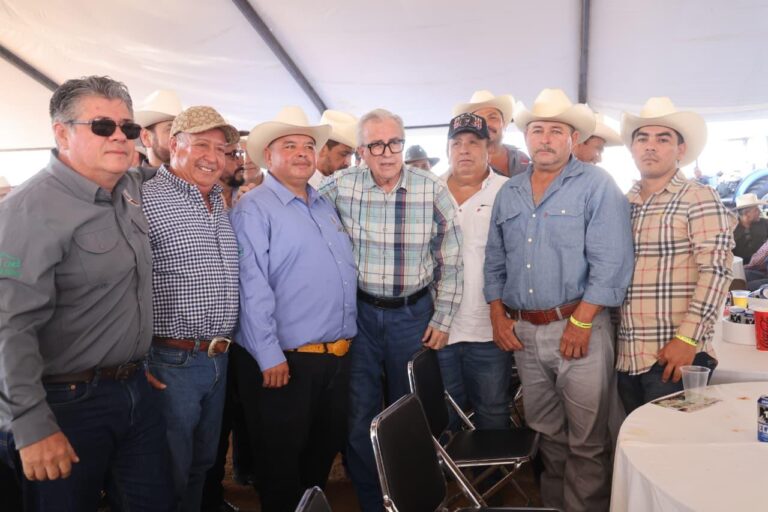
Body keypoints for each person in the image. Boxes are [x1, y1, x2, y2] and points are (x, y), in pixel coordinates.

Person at [0, 75, 174, 511]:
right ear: (62, 134)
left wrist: (131, 362)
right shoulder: (26, 211)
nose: (119, 136)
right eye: (102, 126)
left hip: (134, 389)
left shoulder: (127, 188)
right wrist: (31, 424)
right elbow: (8, 328)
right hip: (65, 403)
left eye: (128, 128)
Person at [484, 88, 633, 512]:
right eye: (537, 130)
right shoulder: (510, 192)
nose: (545, 139)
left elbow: (612, 263)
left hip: (579, 328)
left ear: (573, 138)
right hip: (525, 334)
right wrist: (497, 314)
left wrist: (581, 323)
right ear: (526, 137)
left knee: (588, 441)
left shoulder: (597, 185)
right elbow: (494, 260)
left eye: (555, 130)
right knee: (547, 436)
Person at [319, 108, 462, 511]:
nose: (387, 153)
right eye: (377, 145)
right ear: (361, 150)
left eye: (394, 143)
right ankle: (372, 501)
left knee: (410, 416)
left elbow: (452, 259)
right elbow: (300, 210)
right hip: (359, 317)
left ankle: (411, 501)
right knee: (359, 415)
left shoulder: (431, 189)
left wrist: (443, 318)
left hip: (413, 317)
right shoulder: (340, 186)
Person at [231, 106, 357, 511]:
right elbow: (251, 284)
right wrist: (268, 354)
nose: (302, 153)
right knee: (280, 469)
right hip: (284, 363)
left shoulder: (323, 204)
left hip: (334, 358)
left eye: (308, 145)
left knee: (318, 459)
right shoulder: (254, 207)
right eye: (290, 145)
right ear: (268, 156)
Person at [142, 105, 241, 511]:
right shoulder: (145, 200)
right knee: (170, 470)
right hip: (170, 361)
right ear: (174, 144)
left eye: (221, 149)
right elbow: (124, 284)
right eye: (202, 145)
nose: (212, 157)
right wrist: (138, 359)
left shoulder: (218, 201)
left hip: (218, 358)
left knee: (202, 464)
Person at [616, 97, 734, 413]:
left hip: (675, 356)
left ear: (680, 150)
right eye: (642, 138)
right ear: (633, 149)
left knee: (672, 440)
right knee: (638, 438)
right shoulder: (624, 202)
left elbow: (717, 271)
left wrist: (688, 339)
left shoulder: (698, 196)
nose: (650, 146)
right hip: (628, 355)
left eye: (663, 139)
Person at [439, 112, 511, 430]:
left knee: (493, 411)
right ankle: (451, 466)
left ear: (489, 149)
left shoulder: (508, 191)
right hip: (439, 327)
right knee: (444, 414)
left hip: (489, 327)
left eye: (473, 142)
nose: (464, 150)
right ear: (447, 150)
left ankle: (492, 466)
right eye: (456, 143)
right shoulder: (428, 191)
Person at [453, 89, 530, 177]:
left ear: (504, 124)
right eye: (479, 120)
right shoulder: (464, 165)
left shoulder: (521, 158)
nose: (486, 124)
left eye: (493, 117)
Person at [308, 110, 357, 188]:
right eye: (344, 154)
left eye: (351, 155)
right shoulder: (302, 185)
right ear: (323, 149)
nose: (349, 162)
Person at [135, 89, 183, 168]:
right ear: (146, 137)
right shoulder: (131, 176)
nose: (181, 138)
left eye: (181, 131)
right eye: (171, 130)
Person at [733, 192, 768, 262]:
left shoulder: (764, 223)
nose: (759, 211)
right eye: (756, 210)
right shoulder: (731, 229)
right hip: (741, 266)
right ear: (746, 213)